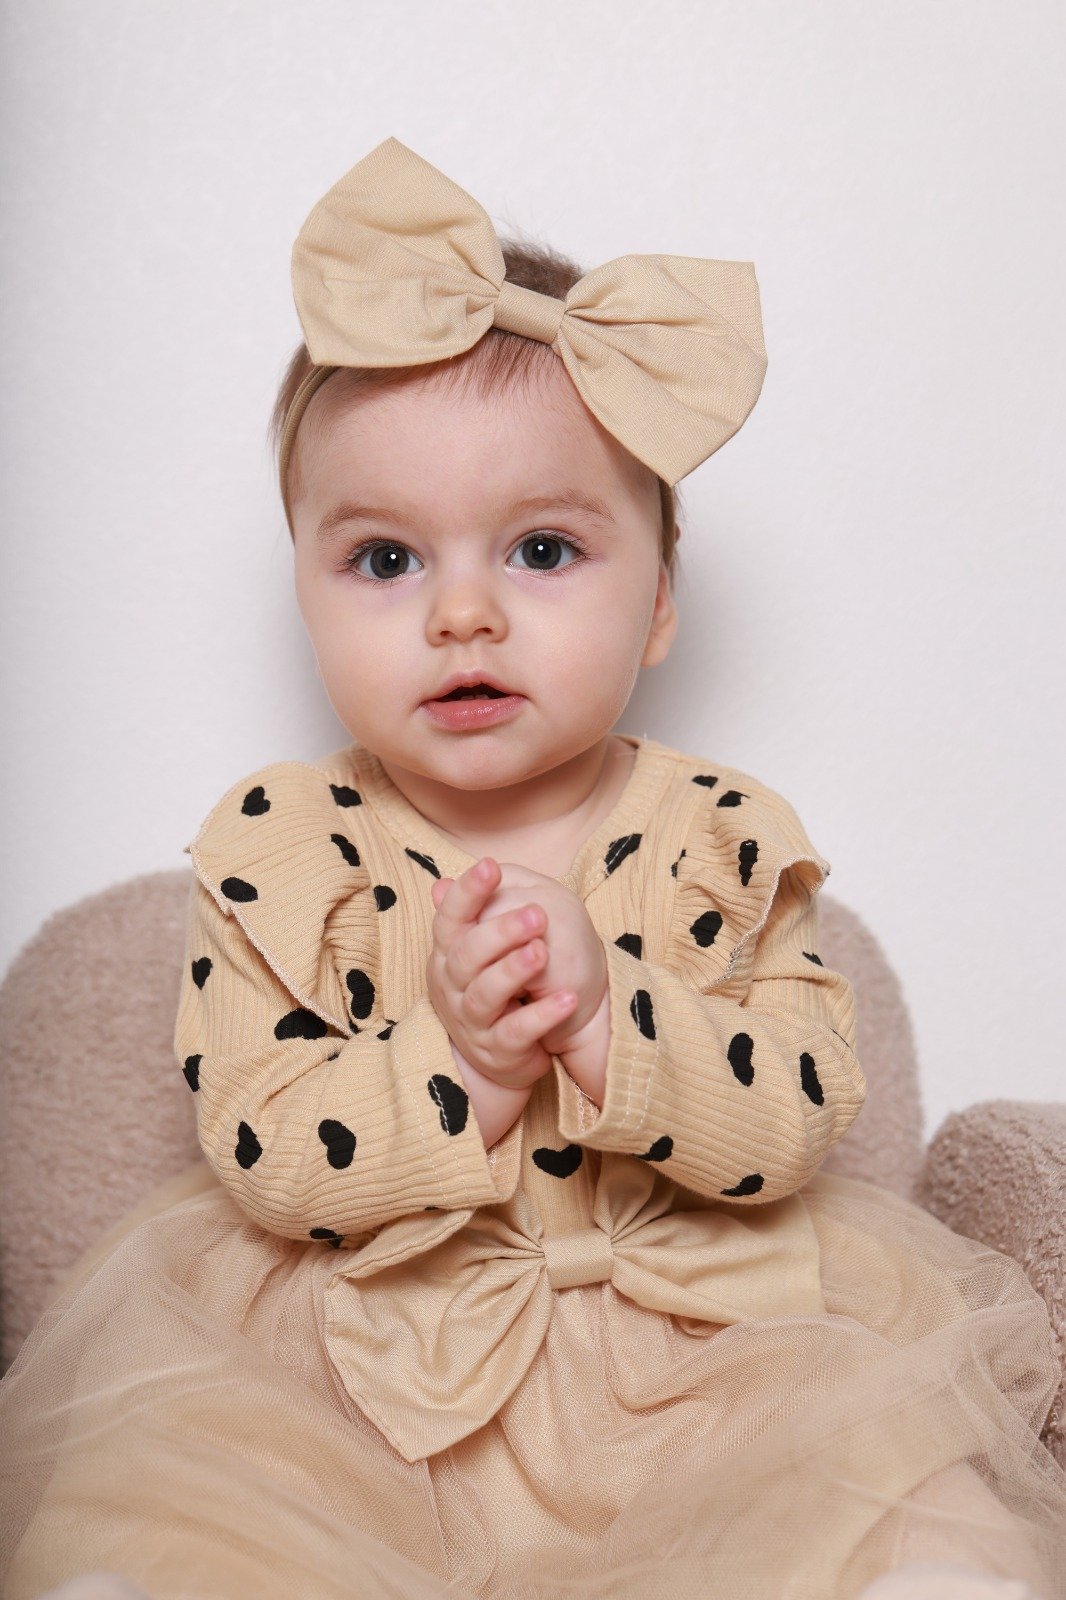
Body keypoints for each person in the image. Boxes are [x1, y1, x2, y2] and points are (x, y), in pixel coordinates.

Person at [1, 136, 1064, 1600]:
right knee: (184, 1502)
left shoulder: (720, 832)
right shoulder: (282, 846)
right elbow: (259, 1140)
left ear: (659, 601)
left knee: (887, 1499)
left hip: (710, 1367)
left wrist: (613, 1016)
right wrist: (471, 1067)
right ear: (306, 592)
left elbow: (805, 1104)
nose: (462, 615)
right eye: (386, 561)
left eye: (543, 552)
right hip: (356, 1373)